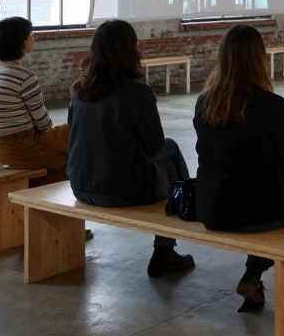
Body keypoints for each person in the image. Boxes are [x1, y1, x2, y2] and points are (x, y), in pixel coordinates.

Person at [192, 24, 284, 312]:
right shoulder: (272, 105)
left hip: (211, 207)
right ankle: (280, 276)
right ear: (259, 60)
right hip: (257, 212)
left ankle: (256, 274)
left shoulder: (204, 103)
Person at [66, 20, 195, 278]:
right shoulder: (137, 92)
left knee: (166, 154)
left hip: (80, 185)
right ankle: (166, 246)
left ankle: (170, 238)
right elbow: (155, 146)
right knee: (170, 151)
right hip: (121, 189)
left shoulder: (81, 90)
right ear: (131, 50)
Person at [0, 17, 69, 186]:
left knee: (66, 134)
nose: (33, 38)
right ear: (22, 44)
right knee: (72, 153)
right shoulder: (25, 77)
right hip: (21, 149)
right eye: (30, 35)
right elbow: (44, 124)